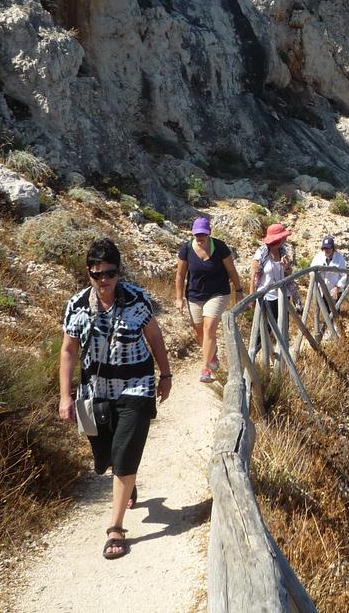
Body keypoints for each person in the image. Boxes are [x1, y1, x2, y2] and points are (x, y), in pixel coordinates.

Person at [58, 238, 171, 561]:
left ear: (118, 272)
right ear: (88, 274)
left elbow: (155, 337)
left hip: (136, 386)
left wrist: (165, 375)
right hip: (96, 393)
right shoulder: (77, 305)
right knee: (105, 457)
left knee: (124, 453)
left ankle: (116, 528)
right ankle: (127, 479)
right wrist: (65, 396)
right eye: (97, 275)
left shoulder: (137, 300)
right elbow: (68, 350)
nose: (104, 281)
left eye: (109, 273)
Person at [175, 217, 244, 383]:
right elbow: (180, 274)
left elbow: (231, 269)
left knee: (209, 327)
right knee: (199, 331)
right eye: (197, 234)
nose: (200, 238)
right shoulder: (186, 249)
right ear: (192, 233)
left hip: (218, 293)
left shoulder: (220, 247)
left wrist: (239, 289)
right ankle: (212, 355)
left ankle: (205, 368)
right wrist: (178, 298)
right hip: (194, 295)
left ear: (209, 233)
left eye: (203, 234)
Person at [250, 223, 292, 324]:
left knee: (283, 326)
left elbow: (289, 273)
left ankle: (280, 341)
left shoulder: (283, 251)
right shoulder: (261, 253)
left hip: (283, 294)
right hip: (266, 296)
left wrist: (286, 268)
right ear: (279, 239)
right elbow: (253, 276)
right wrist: (251, 298)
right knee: (264, 329)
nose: (285, 239)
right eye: (284, 237)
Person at [310, 236, 348, 306]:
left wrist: (337, 287)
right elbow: (311, 271)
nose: (326, 250)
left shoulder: (339, 258)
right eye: (325, 248)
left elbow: (343, 275)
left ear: (333, 248)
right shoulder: (318, 257)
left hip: (334, 290)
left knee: (334, 312)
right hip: (321, 290)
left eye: (328, 248)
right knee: (323, 312)